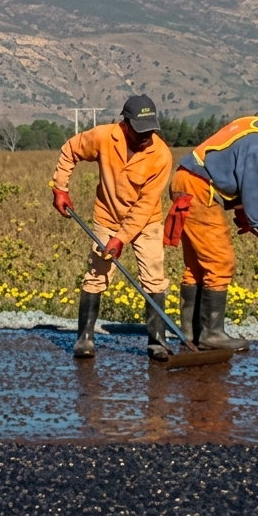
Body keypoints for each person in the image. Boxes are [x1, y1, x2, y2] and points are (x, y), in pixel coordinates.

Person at [164, 97, 258, 351]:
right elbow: (256, 198)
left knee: (199, 265)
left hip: (186, 181)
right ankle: (212, 335)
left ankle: (190, 334)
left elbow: (232, 172)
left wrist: (242, 211)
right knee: (220, 262)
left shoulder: (251, 125)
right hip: (199, 189)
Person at [49, 95, 174, 360]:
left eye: (150, 130)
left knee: (154, 277)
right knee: (97, 274)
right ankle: (84, 338)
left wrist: (121, 238)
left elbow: (145, 205)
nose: (146, 137)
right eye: (140, 131)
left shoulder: (161, 155)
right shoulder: (103, 137)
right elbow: (70, 149)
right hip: (107, 216)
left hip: (146, 221)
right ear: (125, 125)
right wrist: (60, 188)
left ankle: (157, 341)